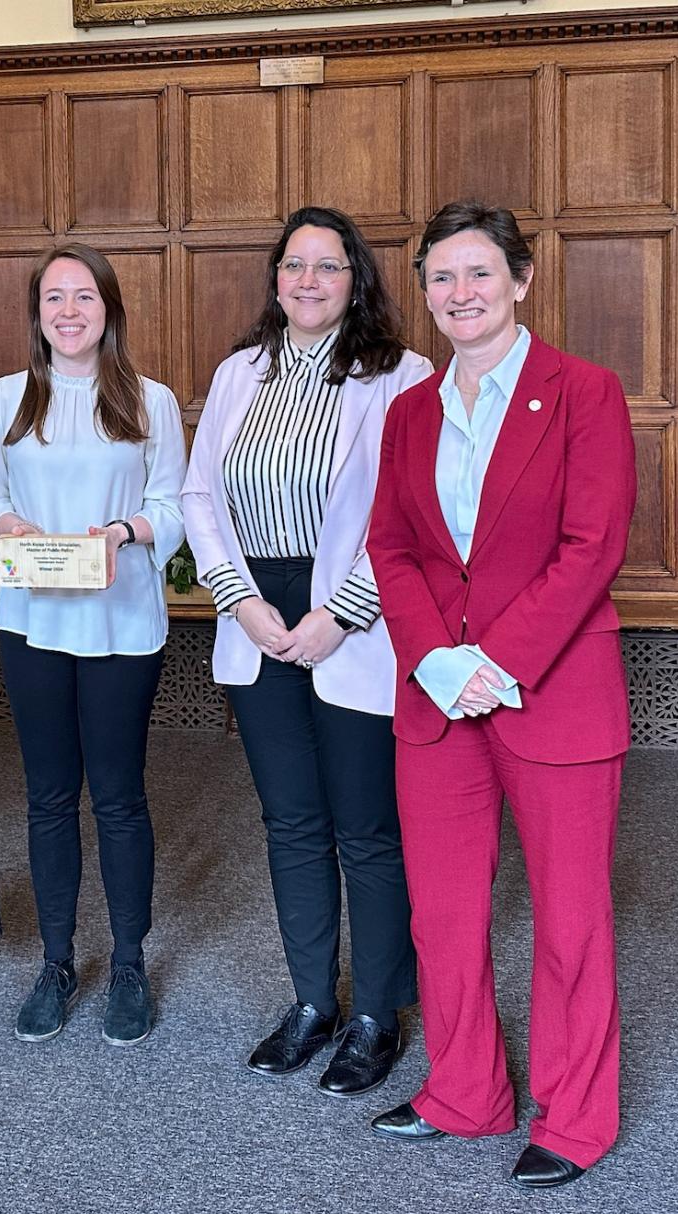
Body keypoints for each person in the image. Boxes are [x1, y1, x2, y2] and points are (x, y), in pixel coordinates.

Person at [363, 201, 636, 1191]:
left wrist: (496, 660)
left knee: (568, 916)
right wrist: (436, 659)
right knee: (440, 912)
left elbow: (590, 545)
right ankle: (464, 1088)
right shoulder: (406, 411)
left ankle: (575, 1113)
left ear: (519, 279)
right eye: (440, 278)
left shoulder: (582, 393)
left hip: (551, 690)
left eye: (478, 273)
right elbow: (389, 545)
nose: (458, 293)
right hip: (437, 695)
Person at [181, 206, 431, 1097]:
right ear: (275, 278)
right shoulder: (241, 372)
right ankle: (312, 1003)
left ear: (355, 279)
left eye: (329, 267)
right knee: (290, 821)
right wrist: (238, 599)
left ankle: (376, 1016)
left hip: (354, 616)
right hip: (257, 615)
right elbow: (198, 495)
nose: (310, 281)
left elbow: (409, 510)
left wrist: (343, 612)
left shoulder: (403, 376)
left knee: (365, 826)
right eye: (296, 266)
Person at [0, 243, 185, 1047]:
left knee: (121, 798)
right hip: (35, 623)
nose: (68, 311)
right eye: (54, 297)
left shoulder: (149, 398)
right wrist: (5, 525)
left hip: (123, 622)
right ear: (37, 313)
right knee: (50, 797)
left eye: (84, 296)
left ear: (109, 309)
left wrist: (129, 530)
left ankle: (128, 961)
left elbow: (175, 503)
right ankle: (57, 962)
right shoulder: (6, 398)